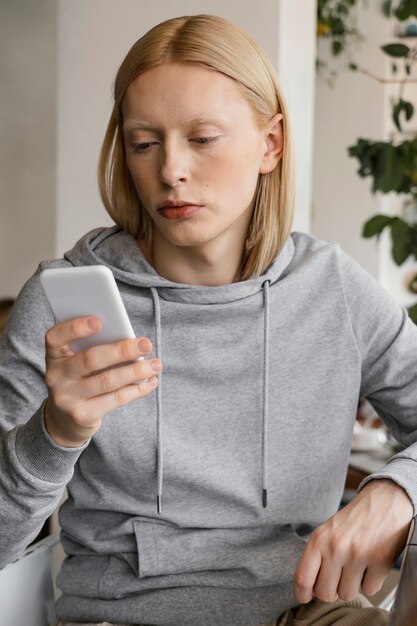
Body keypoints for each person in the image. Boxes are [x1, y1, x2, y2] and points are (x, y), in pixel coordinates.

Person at [0, 14, 415, 626]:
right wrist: (54, 434)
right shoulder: (64, 304)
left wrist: (397, 492)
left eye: (202, 138)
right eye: (144, 143)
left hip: (307, 615)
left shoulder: (335, 290)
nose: (171, 170)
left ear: (270, 144)